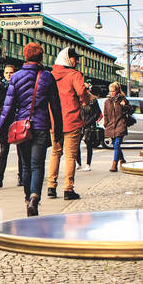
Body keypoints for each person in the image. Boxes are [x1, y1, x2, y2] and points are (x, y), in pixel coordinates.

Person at [0, 43, 62, 216]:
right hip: (40, 126)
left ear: (25, 56)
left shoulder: (15, 77)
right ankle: (34, 197)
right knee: (37, 164)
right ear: (40, 57)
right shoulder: (47, 77)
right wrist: (58, 132)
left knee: (25, 165)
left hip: (22, 127)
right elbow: (55, 107)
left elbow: (7, 107)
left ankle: (27, 199)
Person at [45, 47, 94, 201]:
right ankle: (68, 189)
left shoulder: (50, 75)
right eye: (74, 58)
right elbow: (81, 94)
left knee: (55, 153)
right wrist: (85, 96)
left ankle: (51, 187)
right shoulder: (74, 75)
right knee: (70, 156)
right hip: (71, 120)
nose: (77, 61)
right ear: (68, 59)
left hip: (55, 121)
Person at [0, 60, 20, 188]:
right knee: (4, 150)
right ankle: (0, 177)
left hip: (17, 120)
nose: (9, 75)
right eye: (7, 73)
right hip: (5, 122)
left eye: (11, 73)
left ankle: (22, 177)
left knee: (21, 151)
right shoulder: (1, 87)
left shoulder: (19, 86)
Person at [103, 82, 132, 171]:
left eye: (113, 91)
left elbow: (131, 110)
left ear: (117, 91)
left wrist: (124, 106)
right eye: (110, 91)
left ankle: (114, 164)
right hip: (111, 126)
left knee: (116, 145)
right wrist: (106, 124)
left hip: (120, 125)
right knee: (116, 145)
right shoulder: (107, 101)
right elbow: (106, 114)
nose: (111, 93)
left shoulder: (122, 99)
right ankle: (122, 160)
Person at [79, 91, 101, 170]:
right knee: (76, 144)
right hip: (80, 124)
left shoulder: (93, 101)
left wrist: (89, 122)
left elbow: (98, 113)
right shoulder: (78, 99)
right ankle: (78, 163)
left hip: (89, 125)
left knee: (89, 143)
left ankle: (88, 164)